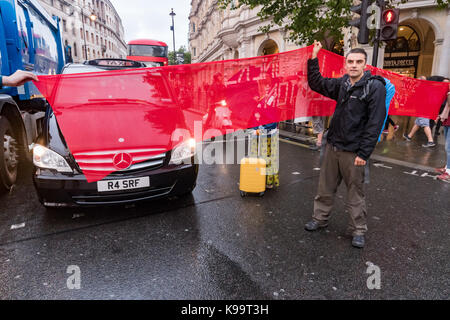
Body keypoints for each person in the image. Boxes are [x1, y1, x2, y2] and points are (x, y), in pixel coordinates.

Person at [304, 41, 387, 249]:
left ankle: (358, 230)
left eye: (359, 62)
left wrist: (364, 153)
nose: (354, 65)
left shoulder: (374, 87)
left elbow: (375, 123)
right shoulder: (342, 84)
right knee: (325, 187)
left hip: (354, 152)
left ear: (365, 65)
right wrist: (314, 57)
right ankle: (319, 218)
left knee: (355, 193)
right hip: (333, 147)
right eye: (350, 61)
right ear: (345, 64)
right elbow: (317, 83)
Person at [403, 76, 435, 147]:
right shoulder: (427, 88)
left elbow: (419, 99)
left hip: (424, 109)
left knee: (425, 125)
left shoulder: (423, 88)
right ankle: (409, 136)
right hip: (424, 108)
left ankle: (430, 141)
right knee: (417, 123)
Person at [435, 81, 450, 182]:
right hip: (447, 120)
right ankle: (447, 166)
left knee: (448, 147)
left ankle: (448, 172)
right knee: (447, 147)